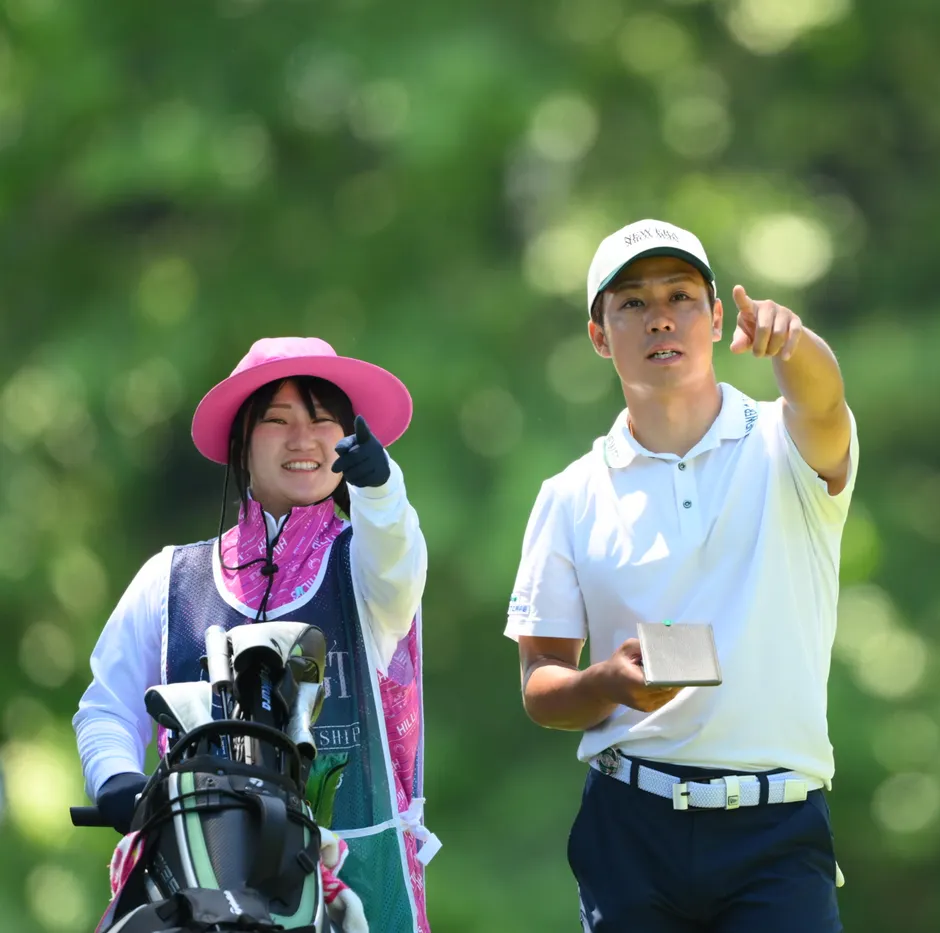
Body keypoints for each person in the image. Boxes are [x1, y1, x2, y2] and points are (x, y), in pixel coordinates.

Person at [506, 219, 858, 932]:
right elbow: (541, 682)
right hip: (630, 826)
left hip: (777, 830)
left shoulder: (784, 443)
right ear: (599, 335)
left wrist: (792, 341)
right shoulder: (570, 494)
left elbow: (823, 402)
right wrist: (607, 684)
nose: (660, 317)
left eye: (681, 296)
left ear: (717, 318)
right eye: (632, 303)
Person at [73, 336, 439, 933]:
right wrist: (117, 780)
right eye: (277, 420)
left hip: (361, 893)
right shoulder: (170, 579)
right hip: (201, 886)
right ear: (241, 441)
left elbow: (399, 563)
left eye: (322, 421)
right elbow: (107, 708)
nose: (303, 439)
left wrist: (381, 489)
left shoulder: (367, 564)